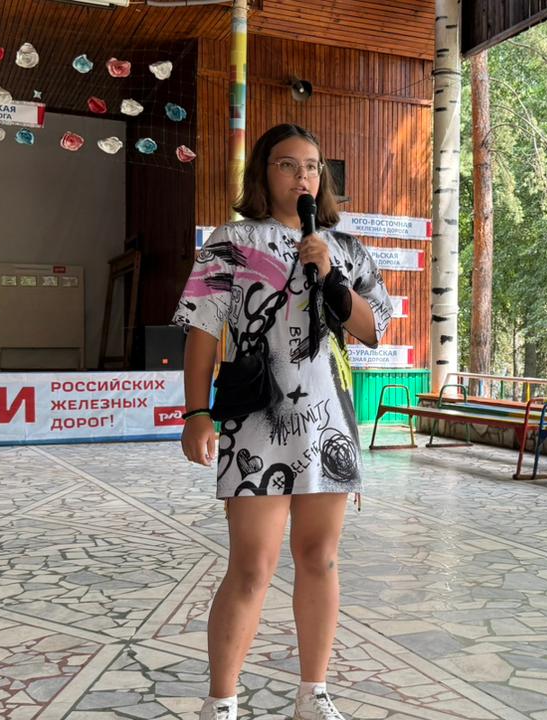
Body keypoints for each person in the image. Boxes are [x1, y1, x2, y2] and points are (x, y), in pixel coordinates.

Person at [175, 123, 393, 720]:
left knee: (320, 558)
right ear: (263, 173)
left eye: (313, 167)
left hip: (329, 424)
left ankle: (312, 694)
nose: (303, 176)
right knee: (251, 566)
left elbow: (374, 329)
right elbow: (201, 332)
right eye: (288, 165)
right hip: (255, 421)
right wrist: (196, 413)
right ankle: (222, 701)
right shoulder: (232, 241)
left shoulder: (345, 248)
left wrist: (332, 275)